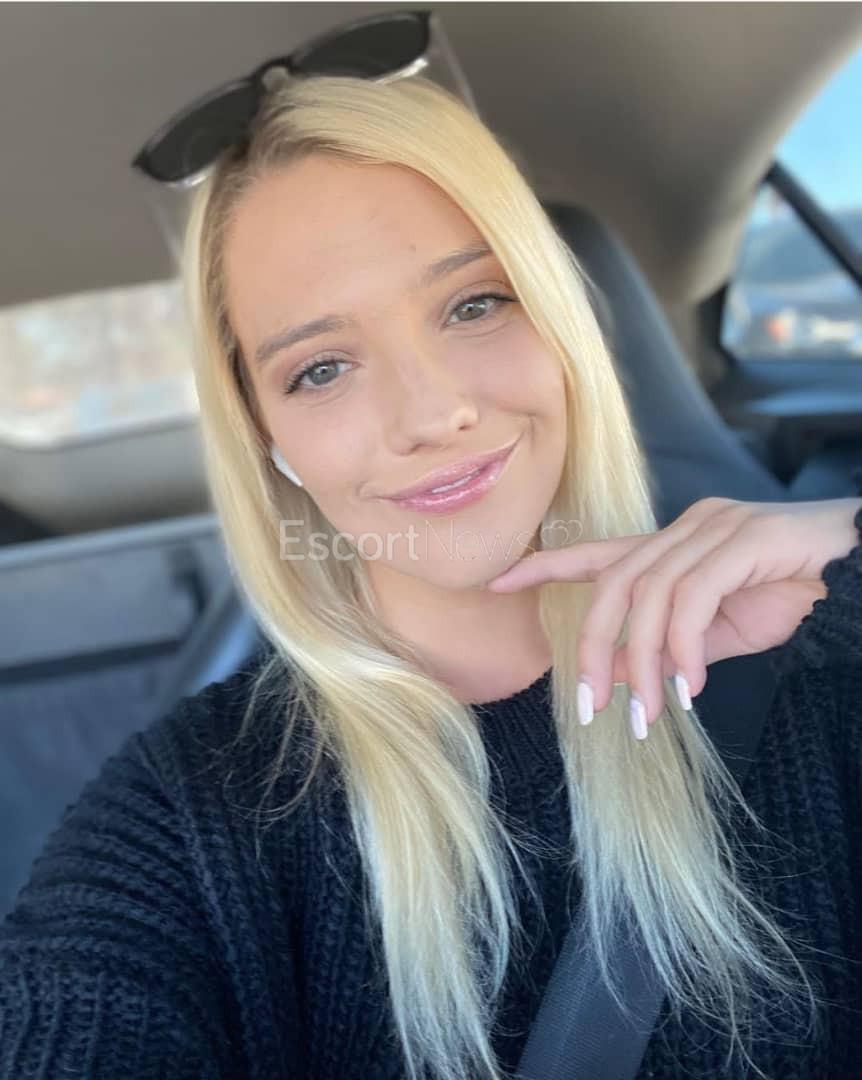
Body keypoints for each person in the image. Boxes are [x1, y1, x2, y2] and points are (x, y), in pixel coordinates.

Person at [1, 70, 862, 1080]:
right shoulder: (191, 812)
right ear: (266, 437)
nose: (430, 413)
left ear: (560, 319)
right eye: (320, 368)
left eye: (474, 304)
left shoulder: (816, 647)